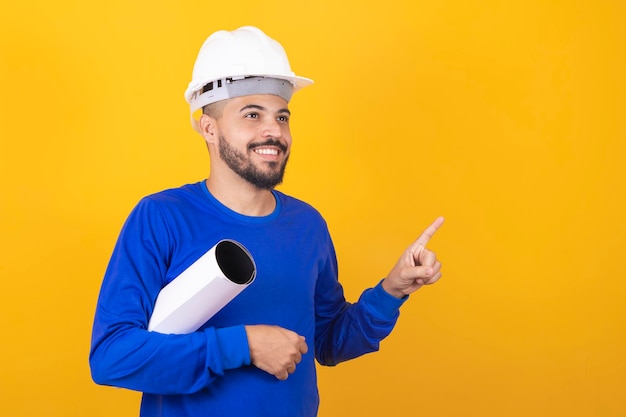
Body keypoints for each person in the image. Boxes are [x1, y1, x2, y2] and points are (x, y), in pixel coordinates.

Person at [89, 26, 443, 417]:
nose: (274, 131)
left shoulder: (307, 226)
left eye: (282, 116)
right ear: (210, 128)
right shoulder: (161, 218)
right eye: (252, 115)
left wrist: (391, 291)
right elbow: (112, 356)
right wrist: (244, 345)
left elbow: (325, 342)